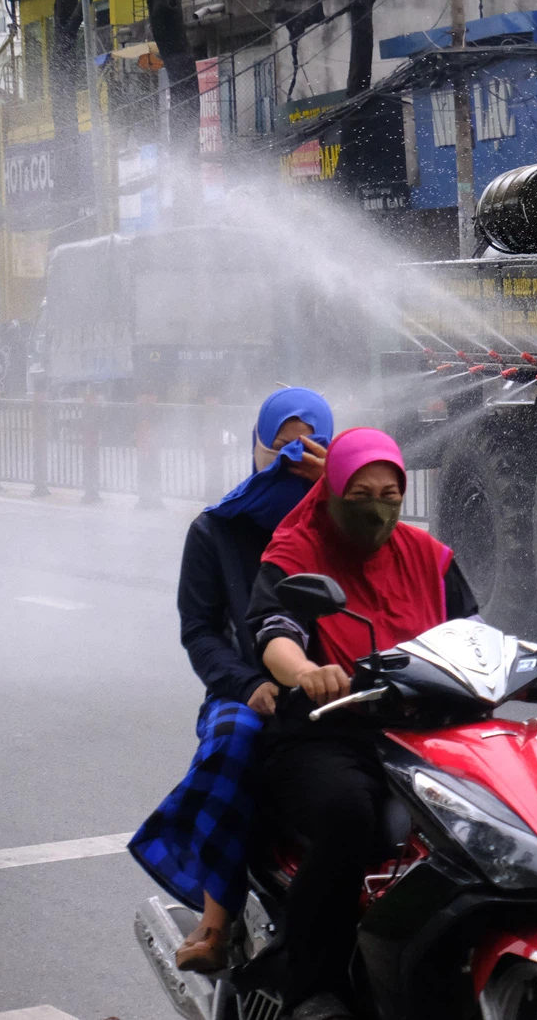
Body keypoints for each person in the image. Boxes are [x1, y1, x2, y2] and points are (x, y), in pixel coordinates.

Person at [248, 428, 478, 1020]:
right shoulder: (297, 555)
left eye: (389, 493)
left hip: (420, 733)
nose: (376, 507)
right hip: (327, 733)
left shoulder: (430, 558)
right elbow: (276, 633)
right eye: (359, 494)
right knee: (349, 816)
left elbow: (471, 636)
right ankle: (315, 988)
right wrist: (306, 672)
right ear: (330, 493)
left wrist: (528, 662)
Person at [130, 388, 334, 974]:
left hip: (339, 682)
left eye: (310, 446)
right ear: (257, 448)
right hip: (246, 688)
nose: (294, 460)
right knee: (233, 743)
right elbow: (199, 629)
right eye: (282, 447)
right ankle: (217, 916)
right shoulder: (215, 530)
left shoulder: (339, 520)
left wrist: (333, 494)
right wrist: (247, 682)